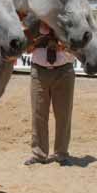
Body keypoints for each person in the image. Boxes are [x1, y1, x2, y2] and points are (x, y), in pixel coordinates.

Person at [25, 21, 76, 167]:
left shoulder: (68, 23)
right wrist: (35, 43)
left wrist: (64, 46)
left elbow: (79, 46)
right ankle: (39, 153)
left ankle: (61, 153)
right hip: (39, 70)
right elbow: (26, 49)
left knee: (63, 114)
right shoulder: (34, 25)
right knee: (38, 113)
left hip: (64, 70)